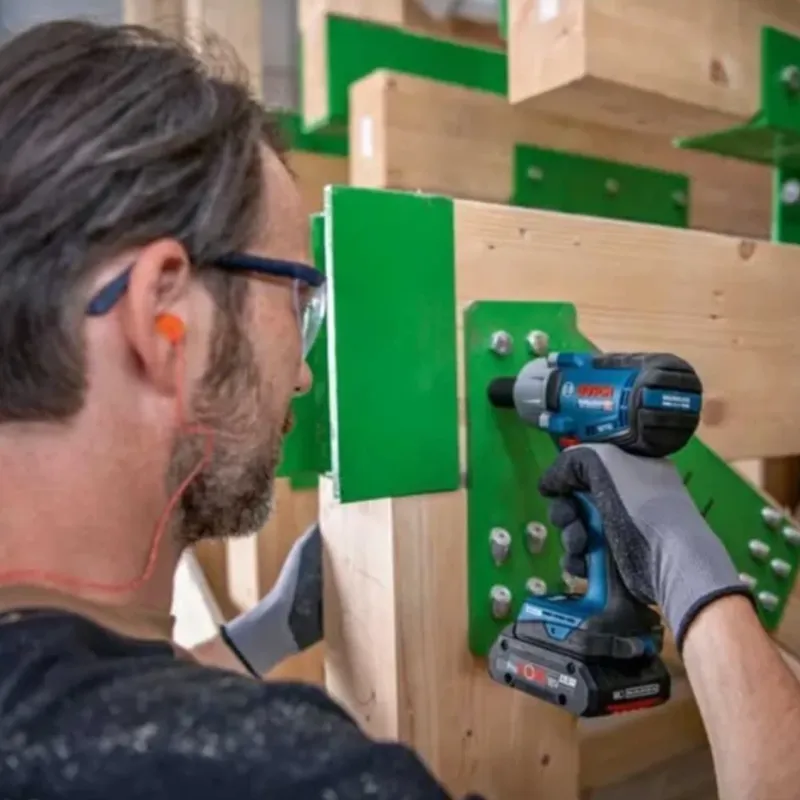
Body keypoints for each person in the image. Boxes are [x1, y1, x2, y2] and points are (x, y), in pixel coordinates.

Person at [0, 17, 797, 800]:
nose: (305, 377)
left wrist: (255, 639)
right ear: (161, 317)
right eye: (298, 300)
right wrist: (699, 584)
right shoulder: (303, 776)